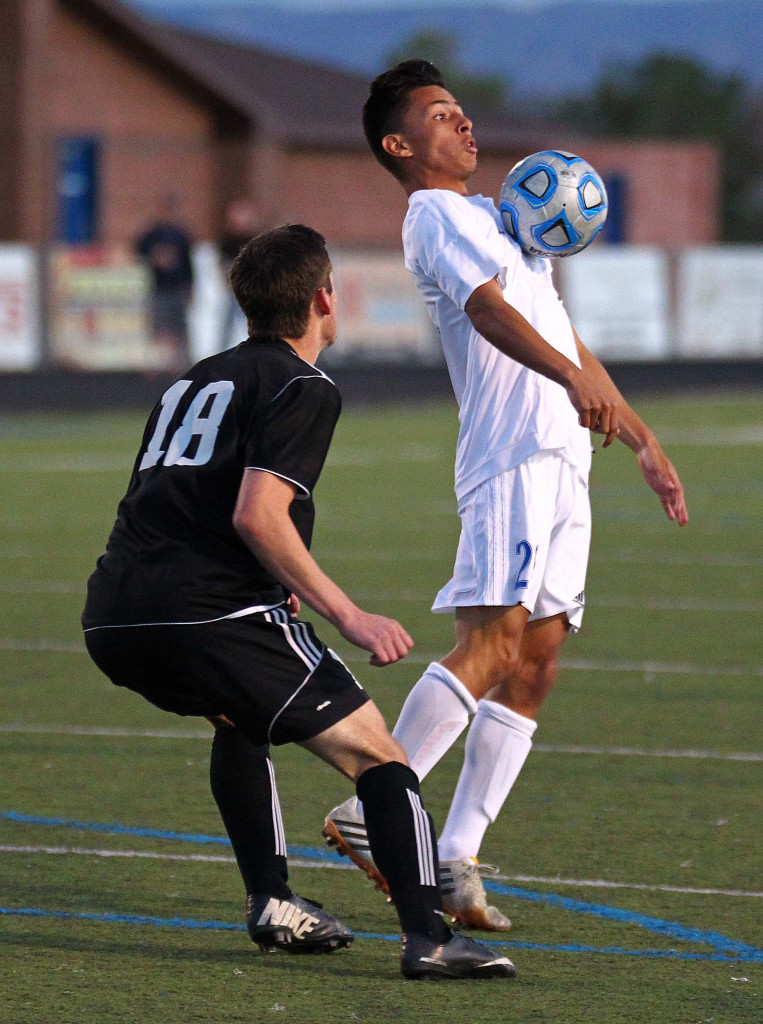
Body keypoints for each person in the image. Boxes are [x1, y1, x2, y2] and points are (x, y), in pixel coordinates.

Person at [81, 223, 515, 980]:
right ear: (323, 297)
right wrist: (349, 615)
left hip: (114, 613)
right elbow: (257, 513)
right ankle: (428, 939)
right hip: (208, 613)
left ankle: (272, 902)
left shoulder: (195, 376)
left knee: (235, 718)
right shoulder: (303, 384)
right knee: (379, 755)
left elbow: (170, 495)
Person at [323, 61, 689, 931]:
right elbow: (489, 314)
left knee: (535, 663)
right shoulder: (435, 218)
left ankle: (453, 858)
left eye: (463, 112)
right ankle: (373, 803)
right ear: (400, 145)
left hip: (565, 461)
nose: (465, 125)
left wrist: (640, 438)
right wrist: (567, 380)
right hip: (510, 460)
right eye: (442, 116)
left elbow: (561, 332)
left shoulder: (501, 219)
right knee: (487, 646)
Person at [136, 192, 194, 373]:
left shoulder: (181, 234)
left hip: (177, 287)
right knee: (160, 327)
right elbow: (139, 253)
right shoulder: (152, 234)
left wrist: (190, 286)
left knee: (179, 328)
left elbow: (188, 263)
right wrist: (156, 259)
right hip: (159, 288)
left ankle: (179, 367)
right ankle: (159, 365)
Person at [217, 198, 262, 352]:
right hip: (234, 291)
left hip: (251, 291)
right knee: (228, 323)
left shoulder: (255, 240)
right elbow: (223, 265)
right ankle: (222, 351)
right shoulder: (228, 241)